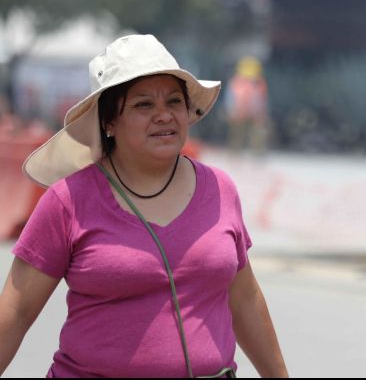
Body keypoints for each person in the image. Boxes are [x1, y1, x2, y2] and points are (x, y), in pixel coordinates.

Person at [0, 35, 288, 378]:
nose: (164, 116)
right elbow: (16, 312)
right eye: (144, 105)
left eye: (174, 101)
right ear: (109, 121)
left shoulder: (220, 189)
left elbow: (244, 300)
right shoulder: (68, 201)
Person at [224, 56, 270, 153]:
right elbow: (230, 98)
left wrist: (263, 112)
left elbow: (263, 99)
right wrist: (230, 110)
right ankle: (235, 152)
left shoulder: (260, 83)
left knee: (257, 134)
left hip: (255, 114)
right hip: (238, 113)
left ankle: (257, 153)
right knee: (237, 134)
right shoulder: (236, 82)